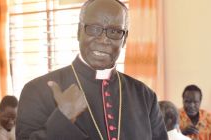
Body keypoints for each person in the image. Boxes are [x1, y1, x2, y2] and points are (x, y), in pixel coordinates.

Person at [16, 0, 168, 139]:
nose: (103, 40)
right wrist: (63, 118)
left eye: (114, 31)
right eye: (94, 29)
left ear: (124, 39)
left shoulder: (145, 97)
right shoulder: (37, 91)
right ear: (78, 32)